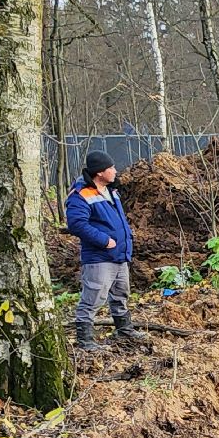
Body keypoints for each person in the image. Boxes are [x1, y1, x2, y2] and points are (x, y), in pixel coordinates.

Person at [65, 150, 144, 351]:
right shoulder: (81, 195)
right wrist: (103, 240)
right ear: (100, 172)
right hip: (99, 257)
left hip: (119, 255)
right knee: (93, 297)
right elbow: (76, 224)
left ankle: (124, 330)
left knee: (120, 294)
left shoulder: (112, 191)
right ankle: (86, 340)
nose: (115, 171)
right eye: (111, 168)